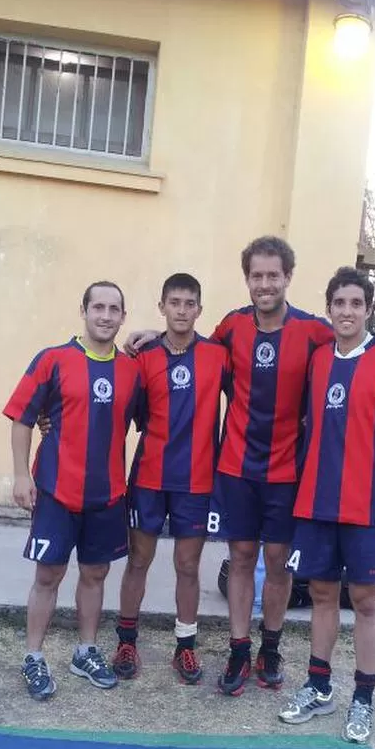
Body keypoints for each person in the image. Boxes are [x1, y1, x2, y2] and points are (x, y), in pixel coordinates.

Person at [127, 235, 375, 698]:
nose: (264, 284)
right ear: (247, 279)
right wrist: (152, 336)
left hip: (288, 472)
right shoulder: (232, 327)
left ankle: (270, 648)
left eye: (273, 275)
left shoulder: (314, 330)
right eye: (256, 275)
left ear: (288, 278)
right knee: (240, 558)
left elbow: (356, 341)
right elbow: (188, 347)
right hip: (236, 469)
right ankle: (239, 648)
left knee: (278, 564)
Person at [278, 267, 375, 742]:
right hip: (318, 502)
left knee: (366, 601)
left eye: (356, 303)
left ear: (368, 309)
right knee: (322, 596)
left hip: (371, 507)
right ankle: (319, 686)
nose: (347, 311)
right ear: (329, 309)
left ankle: (363, 697)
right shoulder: (318, 357)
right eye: (339, 303)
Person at [4, 282, 140, 699]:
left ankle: (86, 651)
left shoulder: (133, 370)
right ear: (82, 310)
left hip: (107, 494)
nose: (105, 315)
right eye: (97, 306)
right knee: (49, 575)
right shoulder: (53, 360)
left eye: (113, 309)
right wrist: (21, 476)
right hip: (56, 491)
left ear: (123, 317)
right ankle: (34, 657)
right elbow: (23, 418)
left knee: (96, 573)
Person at [112, 274, 230, 684]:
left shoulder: (218, 355)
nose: (182, 310)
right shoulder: (142, 357)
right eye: (174, 303)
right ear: (162, 306)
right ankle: (127, 639)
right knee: (139, 560)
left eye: (189, 303)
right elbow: (117, 413)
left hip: (197, 481)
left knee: (187, 565)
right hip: (148, 478)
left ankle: (185, 647)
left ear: (200, 308)